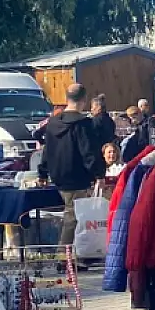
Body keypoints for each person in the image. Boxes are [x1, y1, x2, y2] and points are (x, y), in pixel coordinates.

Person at [40, 83, 105, 245]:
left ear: (66, 99)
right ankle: (64, 256)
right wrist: (99, 174)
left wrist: (42, 172)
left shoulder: (53, 123)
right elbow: (89, 151)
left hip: (57, 175)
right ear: (84, 100)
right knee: (73, 217)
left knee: (71, 215)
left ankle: (72, 254)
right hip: (77, 176)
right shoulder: (83, 124)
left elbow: (46, 150)